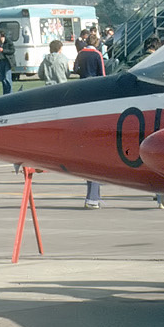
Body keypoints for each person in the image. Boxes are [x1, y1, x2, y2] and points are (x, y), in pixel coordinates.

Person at [73, 31, 106, 208]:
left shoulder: (81, 53)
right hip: (94, 87)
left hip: (82, 85)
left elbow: (75, 69)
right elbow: (102, 73)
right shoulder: (97, 54)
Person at [0, 28, 15, 94]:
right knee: (3, 79)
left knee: (7, 78)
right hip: (0, 61)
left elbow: (12, 51)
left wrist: (3, 50)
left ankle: (10, 93)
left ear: (2, 36)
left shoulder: (8, 42)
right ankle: (5, 93)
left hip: (7, 61)